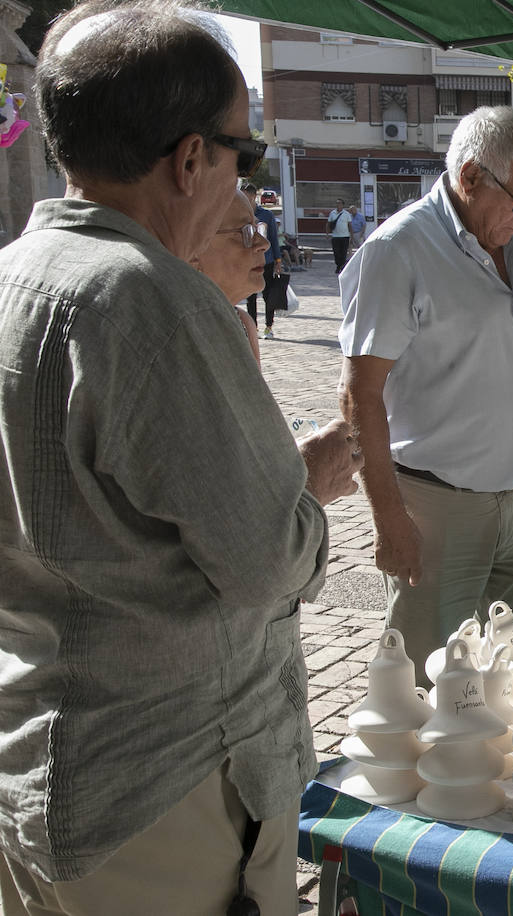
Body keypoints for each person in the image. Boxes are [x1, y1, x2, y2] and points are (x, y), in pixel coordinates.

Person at [0, 3, 362, 913]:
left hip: (39, 767)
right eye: (244, 153)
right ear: (191, 158)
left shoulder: (14, 276)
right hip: (169, 786)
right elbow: (263, 562)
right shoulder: (150, 300)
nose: (242, 182)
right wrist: (307, 496)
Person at [339, 106, 513, 679]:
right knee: (428, 680)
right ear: (470, 177)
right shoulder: (399, 250)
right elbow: (360, 392)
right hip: (440, 507)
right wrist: (389, 519)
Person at [192, 188, 268, 363]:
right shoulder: (169, 334)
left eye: (258, 229)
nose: (263, 243)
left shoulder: (243, 322)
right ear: (192, 249)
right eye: (245, 232)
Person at [242, 182, 284, 338]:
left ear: (253, 196)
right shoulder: (240, 215)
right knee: (250, 297)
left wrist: (278, 261)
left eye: (246, 196)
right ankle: (252, 328)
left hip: (266, 260)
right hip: (248, 262)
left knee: (268, 296)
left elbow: (273, 237)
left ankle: (268, 326)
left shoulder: (266, 215)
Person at [327, 197, 351, 272]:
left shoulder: (346, 214)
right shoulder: (332, 213)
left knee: (343, 252)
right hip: (335, 236)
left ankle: (341, 267)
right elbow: (328, 223)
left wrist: (351, 235)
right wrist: (327, 233)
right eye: (337, 203)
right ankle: (338, 264)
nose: (338, 205)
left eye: (340, 203)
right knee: (336, 252)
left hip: (345, 236)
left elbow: (349, 225)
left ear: (343, 205)